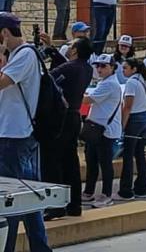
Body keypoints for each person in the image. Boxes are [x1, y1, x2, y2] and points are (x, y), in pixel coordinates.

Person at [0, 12, 51, 251]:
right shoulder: (19, 56)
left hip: (15, 136)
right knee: (28, 198)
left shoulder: (25, 55)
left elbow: (3, 82)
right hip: (16, 134)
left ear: (4, 34)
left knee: (11, 201)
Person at [41, 37, 92, 220]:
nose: (68, 47)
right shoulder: (86, 68)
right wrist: (52, 50)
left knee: (52, 161)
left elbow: (47, 78)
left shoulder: (71, 68)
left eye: (71, 45)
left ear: (76, 50)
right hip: (74, 116)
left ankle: (55, 205)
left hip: (61, 118)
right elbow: (66, 68)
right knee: (70, 161)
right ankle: (74, 203)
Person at [81, 54, 123, 208]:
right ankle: (89, 192)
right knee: (92, 161)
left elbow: (87, 100)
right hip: (96, 129)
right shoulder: (103, 82)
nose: (99, 69)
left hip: (105, 130)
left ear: (112, 68)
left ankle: (107, 194)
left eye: (103, 66)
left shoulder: (109, 84)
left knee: (105, 163)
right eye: (97, 66)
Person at [116, 58, 146, 201]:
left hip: (135, 119)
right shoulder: (145, 80)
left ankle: (125, 190)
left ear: (134, 69)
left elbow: (128, 106)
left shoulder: (131, 82)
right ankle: (141, 187)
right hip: (145, 117)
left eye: (125, 68)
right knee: (140, 155)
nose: (123, 70)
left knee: (128, 156)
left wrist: (122, 126)